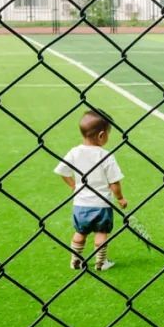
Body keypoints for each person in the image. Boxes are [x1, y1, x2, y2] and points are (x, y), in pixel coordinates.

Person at [54, 110, 126, 271]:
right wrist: (120, 198)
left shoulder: (74, 152)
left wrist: (74, 185)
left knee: (80, 233)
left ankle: (75, 260)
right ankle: (101, 262)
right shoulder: (105, 155)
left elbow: (62, 171)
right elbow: (114, 182)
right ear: (101, 135)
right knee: (101, 233)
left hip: (80, 204)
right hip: (102, 204)